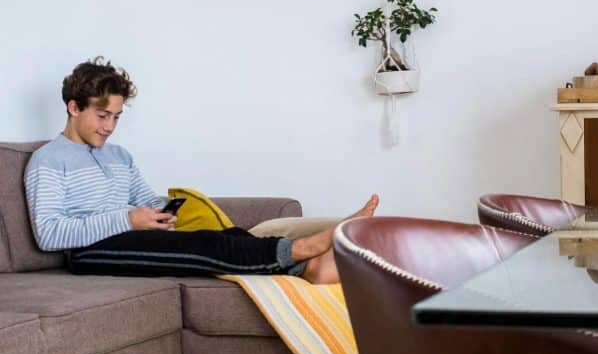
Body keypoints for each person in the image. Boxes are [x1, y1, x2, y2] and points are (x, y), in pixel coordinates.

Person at [25, 57, 378, 284]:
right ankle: (308, 247)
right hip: (92, 252)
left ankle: (310, 268)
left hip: (134, 235)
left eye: (117, 117)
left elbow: (145, 200)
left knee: (231, 235)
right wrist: (129, 221)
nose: (110, 126)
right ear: (74, 107)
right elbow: (49, 234)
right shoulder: (49, 160)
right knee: (204, 245)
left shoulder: (119, 155)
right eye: (103, 116)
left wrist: (162, 214)